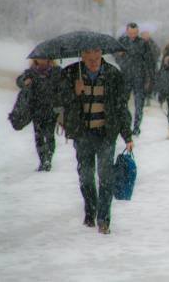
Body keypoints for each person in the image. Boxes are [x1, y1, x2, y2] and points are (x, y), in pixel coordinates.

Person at [61, 48, 133, 234]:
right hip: (82, 134)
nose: (93, 62)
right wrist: (75, 93)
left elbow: (120, 107)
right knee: (85, 177)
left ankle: (103, 220)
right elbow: (59, 99)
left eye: (96, 58)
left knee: (105, 178)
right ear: (82, 56)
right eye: (89, 58)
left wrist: (128, 136)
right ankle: (90, 212)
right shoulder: (71, 73)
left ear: (101, 55)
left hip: (105, 134)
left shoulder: (113, 75)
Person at [16, 58, 61, 171]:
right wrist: (24, 81)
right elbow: (19, 81)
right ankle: (43, 160)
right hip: (36, 110)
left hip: (51, 110)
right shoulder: (30, 72)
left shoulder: (56, 71)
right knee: (39, 137)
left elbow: (62, 86)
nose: (42, 60)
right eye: (40, 58)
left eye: (44, 57)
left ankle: (48, 159)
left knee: (50, 135)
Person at [115, 22, 151, 136]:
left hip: (139, 77)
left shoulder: (143, 43)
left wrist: (148, 77)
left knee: (139, 104)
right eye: (131, 33)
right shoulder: (121, 42)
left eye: (135, 33)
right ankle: (125, 125)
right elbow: (115, 55)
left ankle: (136, 127)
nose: (133, 35)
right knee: (123, 103)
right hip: (125, 76)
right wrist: (120, 58)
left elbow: (149, 59)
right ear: (127, 31)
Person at [140, 29, 161, 107]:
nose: (145, 36)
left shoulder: (152, 43)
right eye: (144, 35)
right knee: (143, 82)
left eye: (147, 34)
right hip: (141, 67)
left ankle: (149, 96)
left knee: (152, 81)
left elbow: (157, 52)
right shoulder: (139, 43)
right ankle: (145, 97)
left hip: (152, 66)